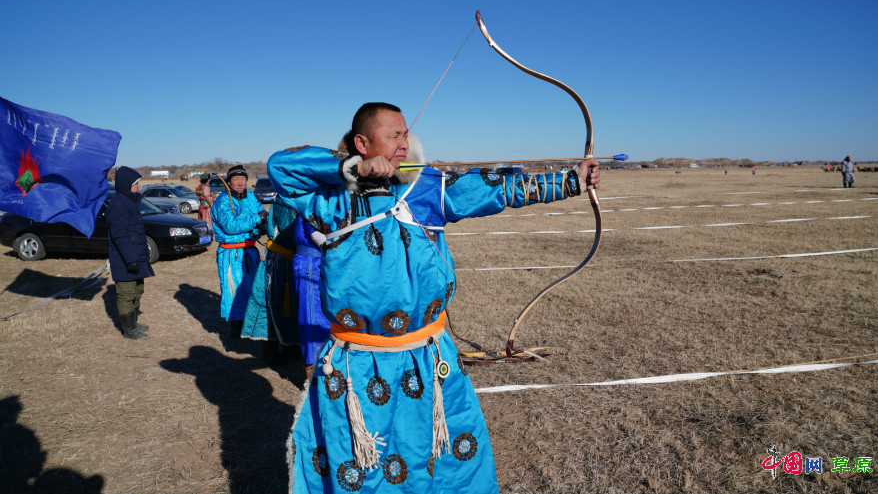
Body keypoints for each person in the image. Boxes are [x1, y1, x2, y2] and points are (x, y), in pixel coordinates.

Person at [267, 102, 600, 493]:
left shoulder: (425, 187)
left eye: (405, 134)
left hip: (428, 356)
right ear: (362, 141)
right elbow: (280, 167)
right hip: (357, 363)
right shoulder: (330, 199)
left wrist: (572, 181)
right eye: (393, 135)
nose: (404, 143)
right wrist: (351, 169)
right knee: (362, 467)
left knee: (446, 465)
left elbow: (496, 188)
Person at [211, 164, 267, 336]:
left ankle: (252, 325)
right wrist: (258, 219)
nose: (240, 183)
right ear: (229, 182)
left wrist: (264, 224)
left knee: (253, 289)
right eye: (236, 179)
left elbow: (262, 213)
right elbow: (231, 226)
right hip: (231, 254)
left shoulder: (250, 196)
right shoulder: (223, 201)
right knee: (234, 290)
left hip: (250, 252)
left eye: (243, 179)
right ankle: (237, 330)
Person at [107, 166, 154, 340]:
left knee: (137, 290)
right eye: (136, 184)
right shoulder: (119, 204)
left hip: (135, 257)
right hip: (125, 259)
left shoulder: (129, 202)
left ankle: (134, 323)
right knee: (126, 293)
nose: (139, 187)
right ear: (127, 185)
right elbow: (119, 236)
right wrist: (130, 259)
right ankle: (129, 330)